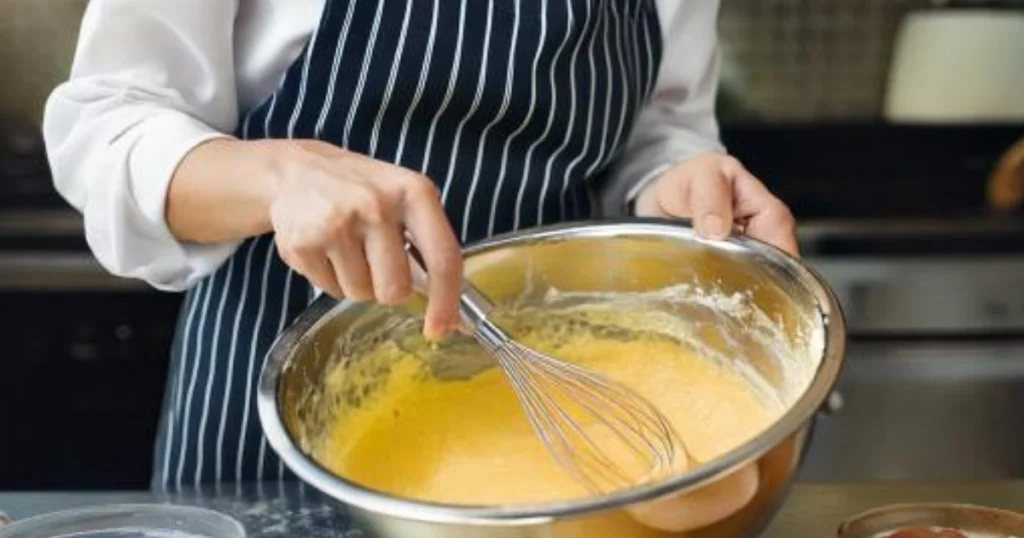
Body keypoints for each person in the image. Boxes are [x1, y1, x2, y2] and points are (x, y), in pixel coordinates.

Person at [43, 0, 797, 492]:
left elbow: (658, 127)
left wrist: (675, 180)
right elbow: (106, 124)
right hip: (266, 416)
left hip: (565, 444)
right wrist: (279, 174)